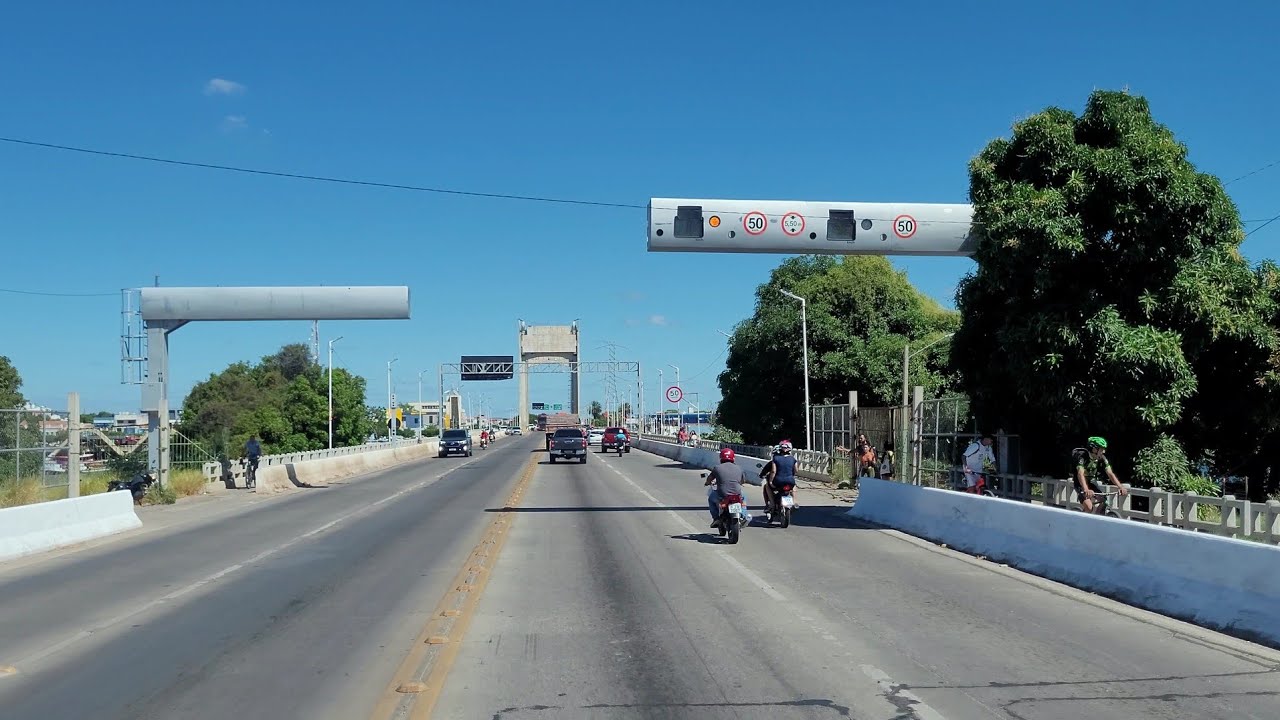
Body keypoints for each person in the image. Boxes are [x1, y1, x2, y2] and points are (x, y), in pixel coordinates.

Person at [1074, 436, 1127, 513]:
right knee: (1089, 508)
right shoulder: (1083, 457)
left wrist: (1120, 487)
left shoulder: (1102, 458)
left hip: (1091, 481)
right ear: (1094, 449)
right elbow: (1080, 474)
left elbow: (1110, 473)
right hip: (1080, 483)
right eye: (1102, 449)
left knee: (1104, 501)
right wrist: (1086, 489)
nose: (1104, 451)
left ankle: (1097, 520)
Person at [705, 447, 746, 527]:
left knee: (711, 499)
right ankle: (743, 516)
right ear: (733, 458)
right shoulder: (739, 468)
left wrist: (707, 483)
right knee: (743, 499)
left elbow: (710, 478)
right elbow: (743, 481)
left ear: (721, 458)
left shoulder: (717, 468)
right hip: (737, 493)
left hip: (723, 495)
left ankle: (716, 518)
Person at [761, 440, 798, 519]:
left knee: (767, 486)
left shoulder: (775, 459)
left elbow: (773, 471)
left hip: (778, 481)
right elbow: (796, 470)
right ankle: (794, 502)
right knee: (794, 486)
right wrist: (791, 475)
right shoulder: (792, 459)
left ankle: (772, 504)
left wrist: (770, 481)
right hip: (790, 481)